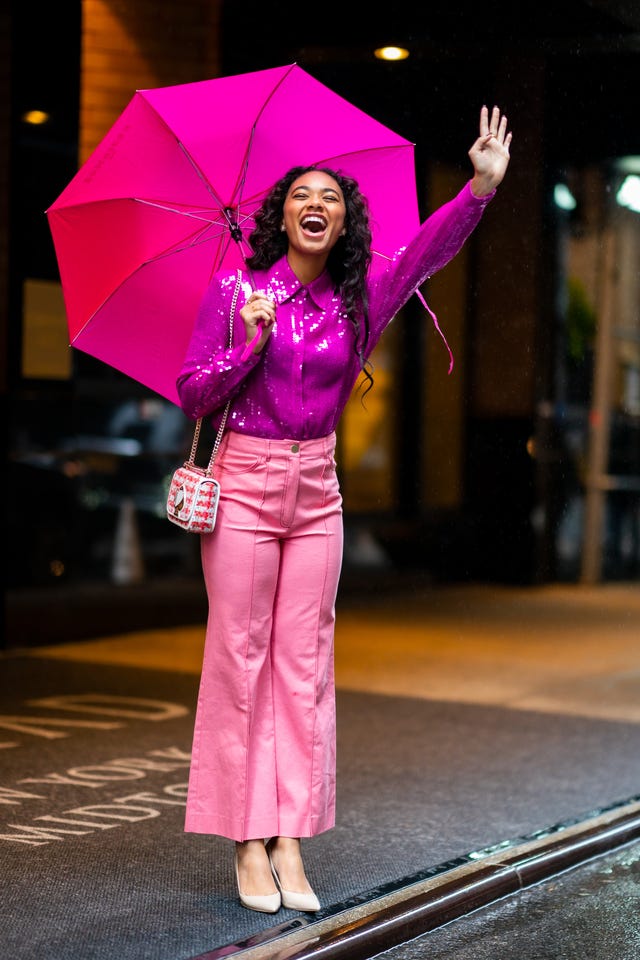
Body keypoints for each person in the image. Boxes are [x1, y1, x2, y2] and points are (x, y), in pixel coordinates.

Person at [176, 104, 512, 914]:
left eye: (330, 196)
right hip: (245, 482)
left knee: (303, 666)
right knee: (239, 660)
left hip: (317, 491)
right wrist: (247, 345)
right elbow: (192, 392)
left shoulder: (359, 300)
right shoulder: (237, 290)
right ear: (282, 215)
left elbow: (426, 252)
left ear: (342, 222)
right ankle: (246, 839)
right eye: (302, 194)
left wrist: (479, 189)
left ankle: (290, 838)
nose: (315, 203)